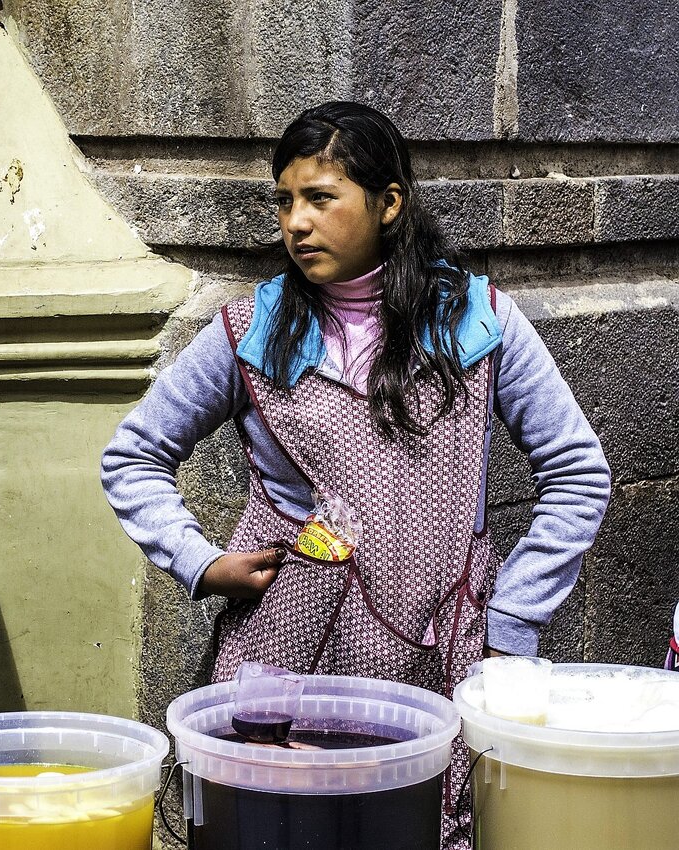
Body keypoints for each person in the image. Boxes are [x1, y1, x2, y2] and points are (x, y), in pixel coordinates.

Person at [101, 101, 610, 848]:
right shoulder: (252, 333)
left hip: (441, 654)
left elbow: (577, 472)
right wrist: (201, 562)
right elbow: (133, 455)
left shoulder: (480, 323)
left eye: (320, 197)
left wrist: (512, 621)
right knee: (281, 827)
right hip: (286, 655)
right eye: (284, 201)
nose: (296, 223)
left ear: (388, 203)